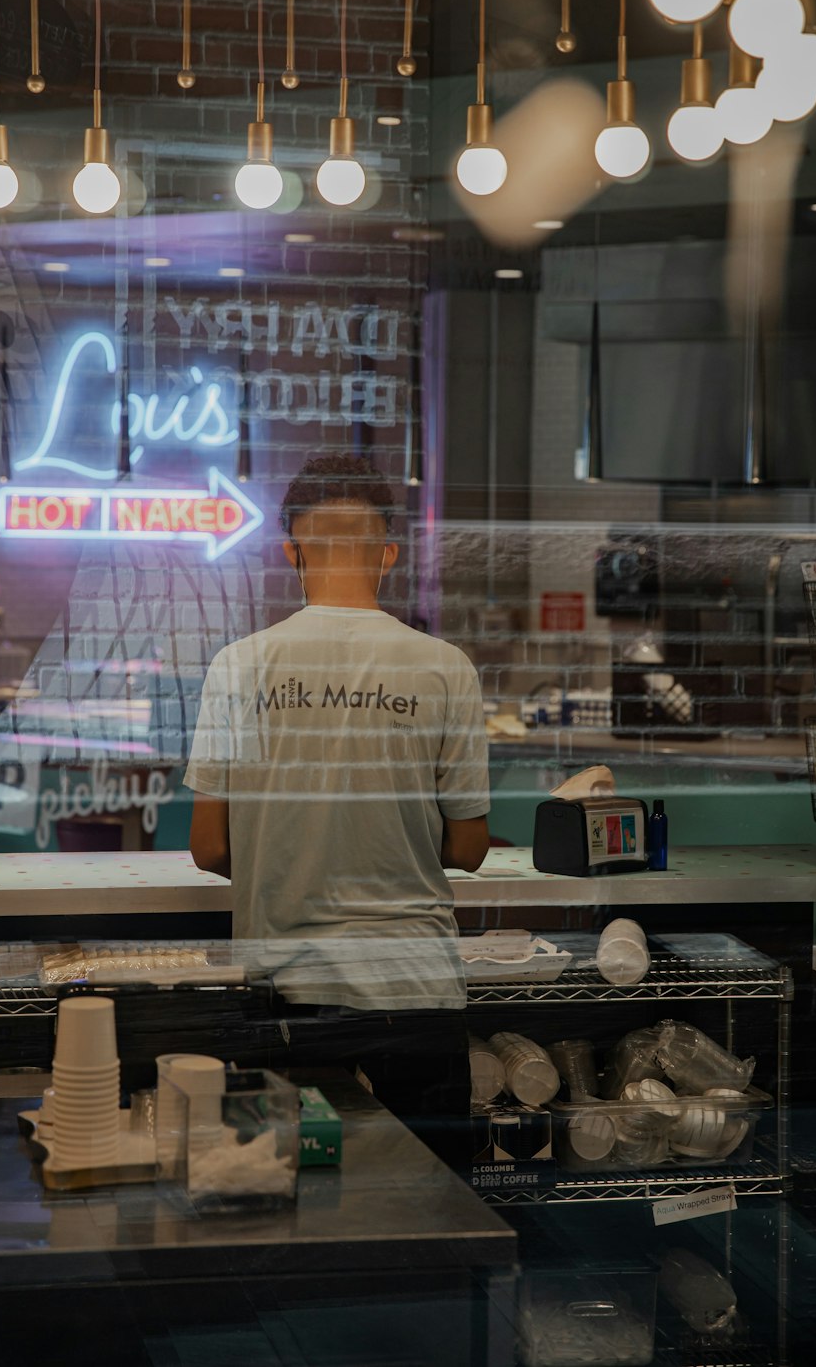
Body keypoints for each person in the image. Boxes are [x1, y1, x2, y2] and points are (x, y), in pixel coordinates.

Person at [185, 452, 490, 1162]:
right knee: (435, 1220)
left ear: (291, 551)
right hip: (416, 987)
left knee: (293, 1216)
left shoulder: (240, 665)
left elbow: (210, 848)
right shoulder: (445, 668)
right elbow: (469, 849)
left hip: (287, 992)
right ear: (388, 553)